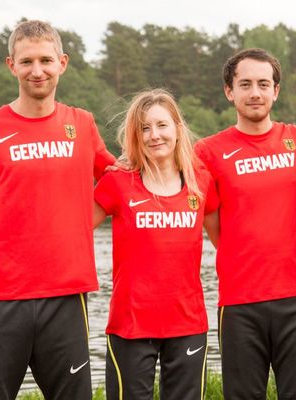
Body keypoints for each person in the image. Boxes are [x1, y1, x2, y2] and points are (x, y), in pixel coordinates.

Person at [0, 20, 115, 399]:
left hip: (66, 296)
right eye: (26, 61)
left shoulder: (82, 124)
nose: (37, 70)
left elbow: (120, 184)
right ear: (11, 65)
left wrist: (77, 223)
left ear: (62, 63)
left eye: (46, 60)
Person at [194, 48, 296, 399]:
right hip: (239, 300)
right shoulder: (208, 151)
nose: (255, 93)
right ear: (229, 91)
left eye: (264, 84)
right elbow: (211, 221)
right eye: (245, 84)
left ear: (276, 91)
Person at [90, 88, 219, 400]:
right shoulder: (118, 182)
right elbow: (70, 230)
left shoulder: (200, 180)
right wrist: (1, 227)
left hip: (187, 323)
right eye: (144, 128)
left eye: (161, 125)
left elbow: (228, 241)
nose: (154, 135)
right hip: (130, 325)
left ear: (177, 128)